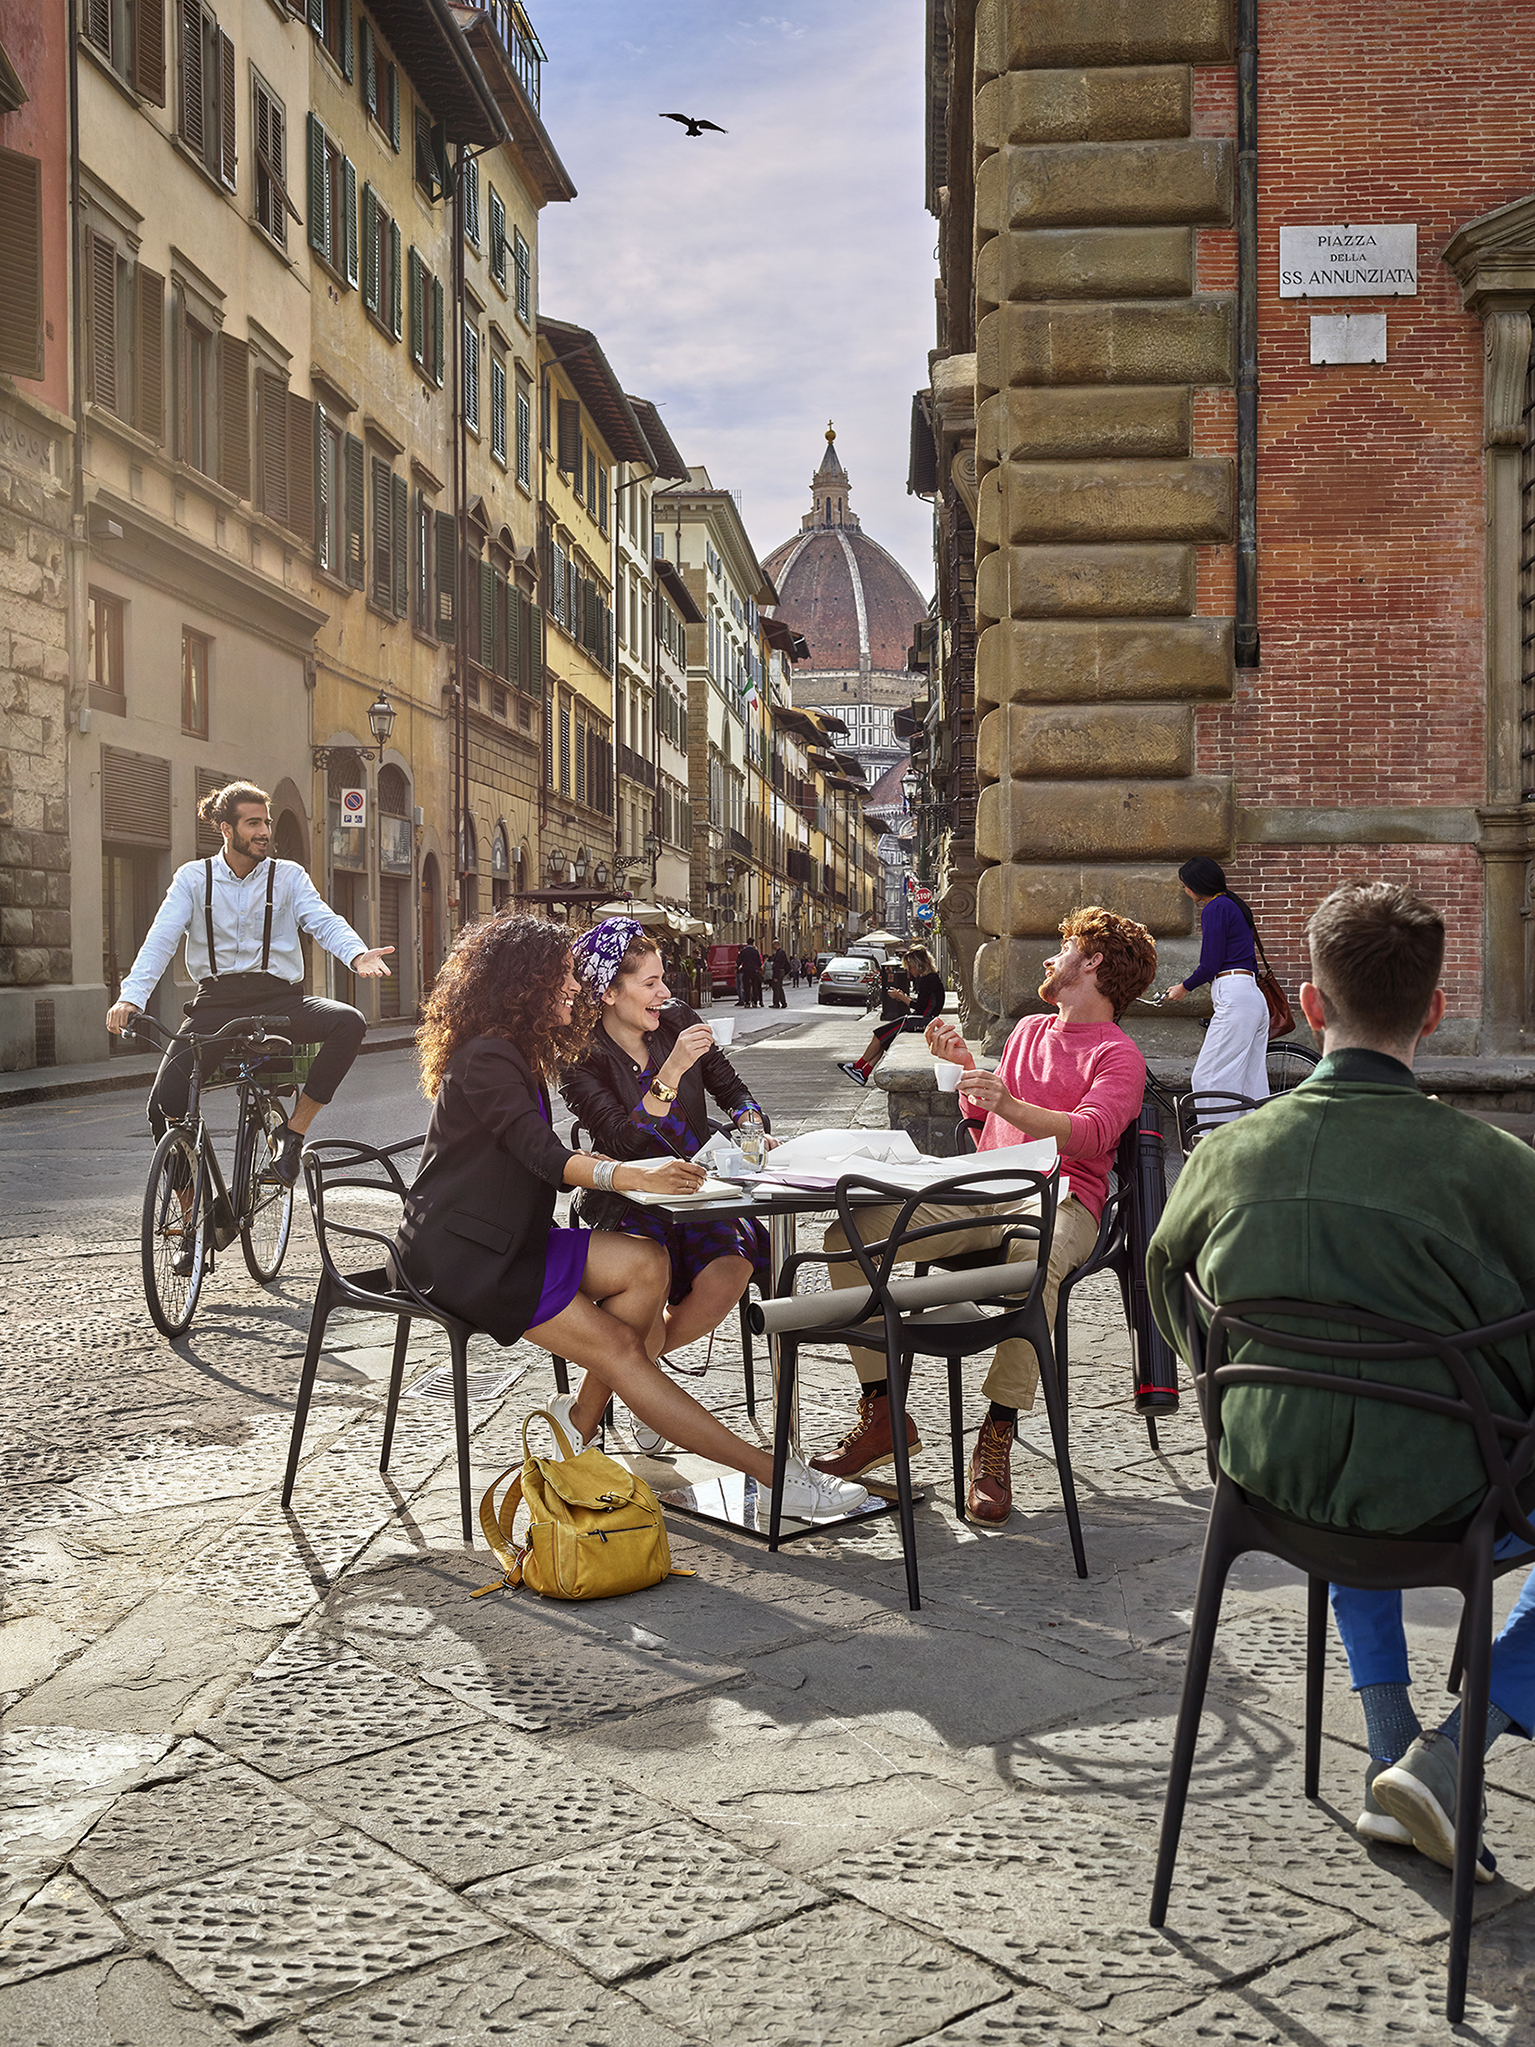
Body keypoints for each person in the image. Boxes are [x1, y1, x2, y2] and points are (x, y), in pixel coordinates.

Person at [1147, 881, 1535, 1880]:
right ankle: (1446, 1749)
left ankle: (1388, 1742)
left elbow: (1170, 1299)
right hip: (1450, 1498)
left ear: (1310, 1009)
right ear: (1433, 1010)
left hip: (1273, 1485)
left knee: (1328, 1407)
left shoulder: (1221, 1158)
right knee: (1402, 1429)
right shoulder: (1495, 1169)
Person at [394, 914, 867, 1523]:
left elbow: (721, 1092)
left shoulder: (521, 1051)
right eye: (563, 977)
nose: (575, 987)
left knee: (646, 1265)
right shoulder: (488, 1058)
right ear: (524, 985)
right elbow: (542, 1154)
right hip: (469, 1256)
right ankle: (776, 1477)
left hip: (518, 1238)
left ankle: (579, 1422)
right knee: (623, 1350)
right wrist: (629, 1174)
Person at [812, 908, 1157, 1517]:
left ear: (1094, 962)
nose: (1053, 958)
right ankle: (884, 1412)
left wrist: (1011, 1104)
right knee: (849, 1234)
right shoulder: (1027, 1031)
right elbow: (983, 1125)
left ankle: (996, 1433)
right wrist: (964, 1076)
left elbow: (1091, 1134)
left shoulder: (1119, 1054)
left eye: (1066, 946)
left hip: (1063, 1197)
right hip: (982, 1187)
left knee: (1038, 1259)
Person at [105, 781, 392, 1190]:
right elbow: (160, 940)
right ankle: (190, 1219)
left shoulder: (288, 876)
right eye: (253, 822)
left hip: (280, 1001)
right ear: (226, 829)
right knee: (162, 1105)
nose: (264, 831)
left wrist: (357, 954)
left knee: (349, 1022)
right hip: (216, 1005)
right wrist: (130, 998)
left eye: (267, 822)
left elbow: (322, 920)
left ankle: (291, 1135)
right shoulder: (193, 879)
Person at [563, 918, 772, 1449]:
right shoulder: (581, 1057)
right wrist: (672, 1070)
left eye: (664, 980)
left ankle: (639, 1380)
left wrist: (750, 1126)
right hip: (629, 1201)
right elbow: (622, 1140)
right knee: (644, 1284)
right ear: (609, 992)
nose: (666, 994)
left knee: (733, 1268)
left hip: (703, 1189)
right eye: (650, 984)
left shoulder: (677, 1018)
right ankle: (641, 1388)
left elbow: (733, 1089)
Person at [1159, 856, 1270, 1125]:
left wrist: (1183, 988)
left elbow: (1210, 964)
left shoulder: (1214, 908)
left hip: (1234, 996)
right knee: (1249, 1080)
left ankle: (1214, 1140)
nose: (1185, 891)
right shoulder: (1234, 905)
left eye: (1185, 885)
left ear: (1197, 884)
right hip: (1252, 996)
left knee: (1207, 1077)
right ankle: (1255, 1140)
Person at [837, 946, 944, 1086]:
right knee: (884, 1038)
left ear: (918, 965)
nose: (909, 971)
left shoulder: (928, 979)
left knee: (879, 1035)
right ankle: (863, 1072)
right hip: (923, 1019)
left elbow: (919, 1006)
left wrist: (902, 997)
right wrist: (904, 997)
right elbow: (923, 1003)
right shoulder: (931, 978)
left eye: (910, 967)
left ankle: (857, 1066)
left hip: (921, 1021)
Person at [738, 939, 763, 1008]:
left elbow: (740, 961)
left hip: (746, 970)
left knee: (746, 987)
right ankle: (755, 1002)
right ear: (752, 943)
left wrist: (738, 967)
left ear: (747, 943)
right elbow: (758, 962)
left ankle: (747, 1002)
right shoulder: (755, 951)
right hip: (754, 970)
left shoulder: (744, 951)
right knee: (755, 986)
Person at [770, 943, 791, 1008]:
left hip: (778, 972)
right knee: (779, 987)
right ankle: (783, 1002)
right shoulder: (781, 952)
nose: (772, 947)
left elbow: (777, 965)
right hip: (781, 971)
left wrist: (775, 976)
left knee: (776, 987)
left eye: (773, 945)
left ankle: (776, 1003)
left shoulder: (779, 953)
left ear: (776, 945)